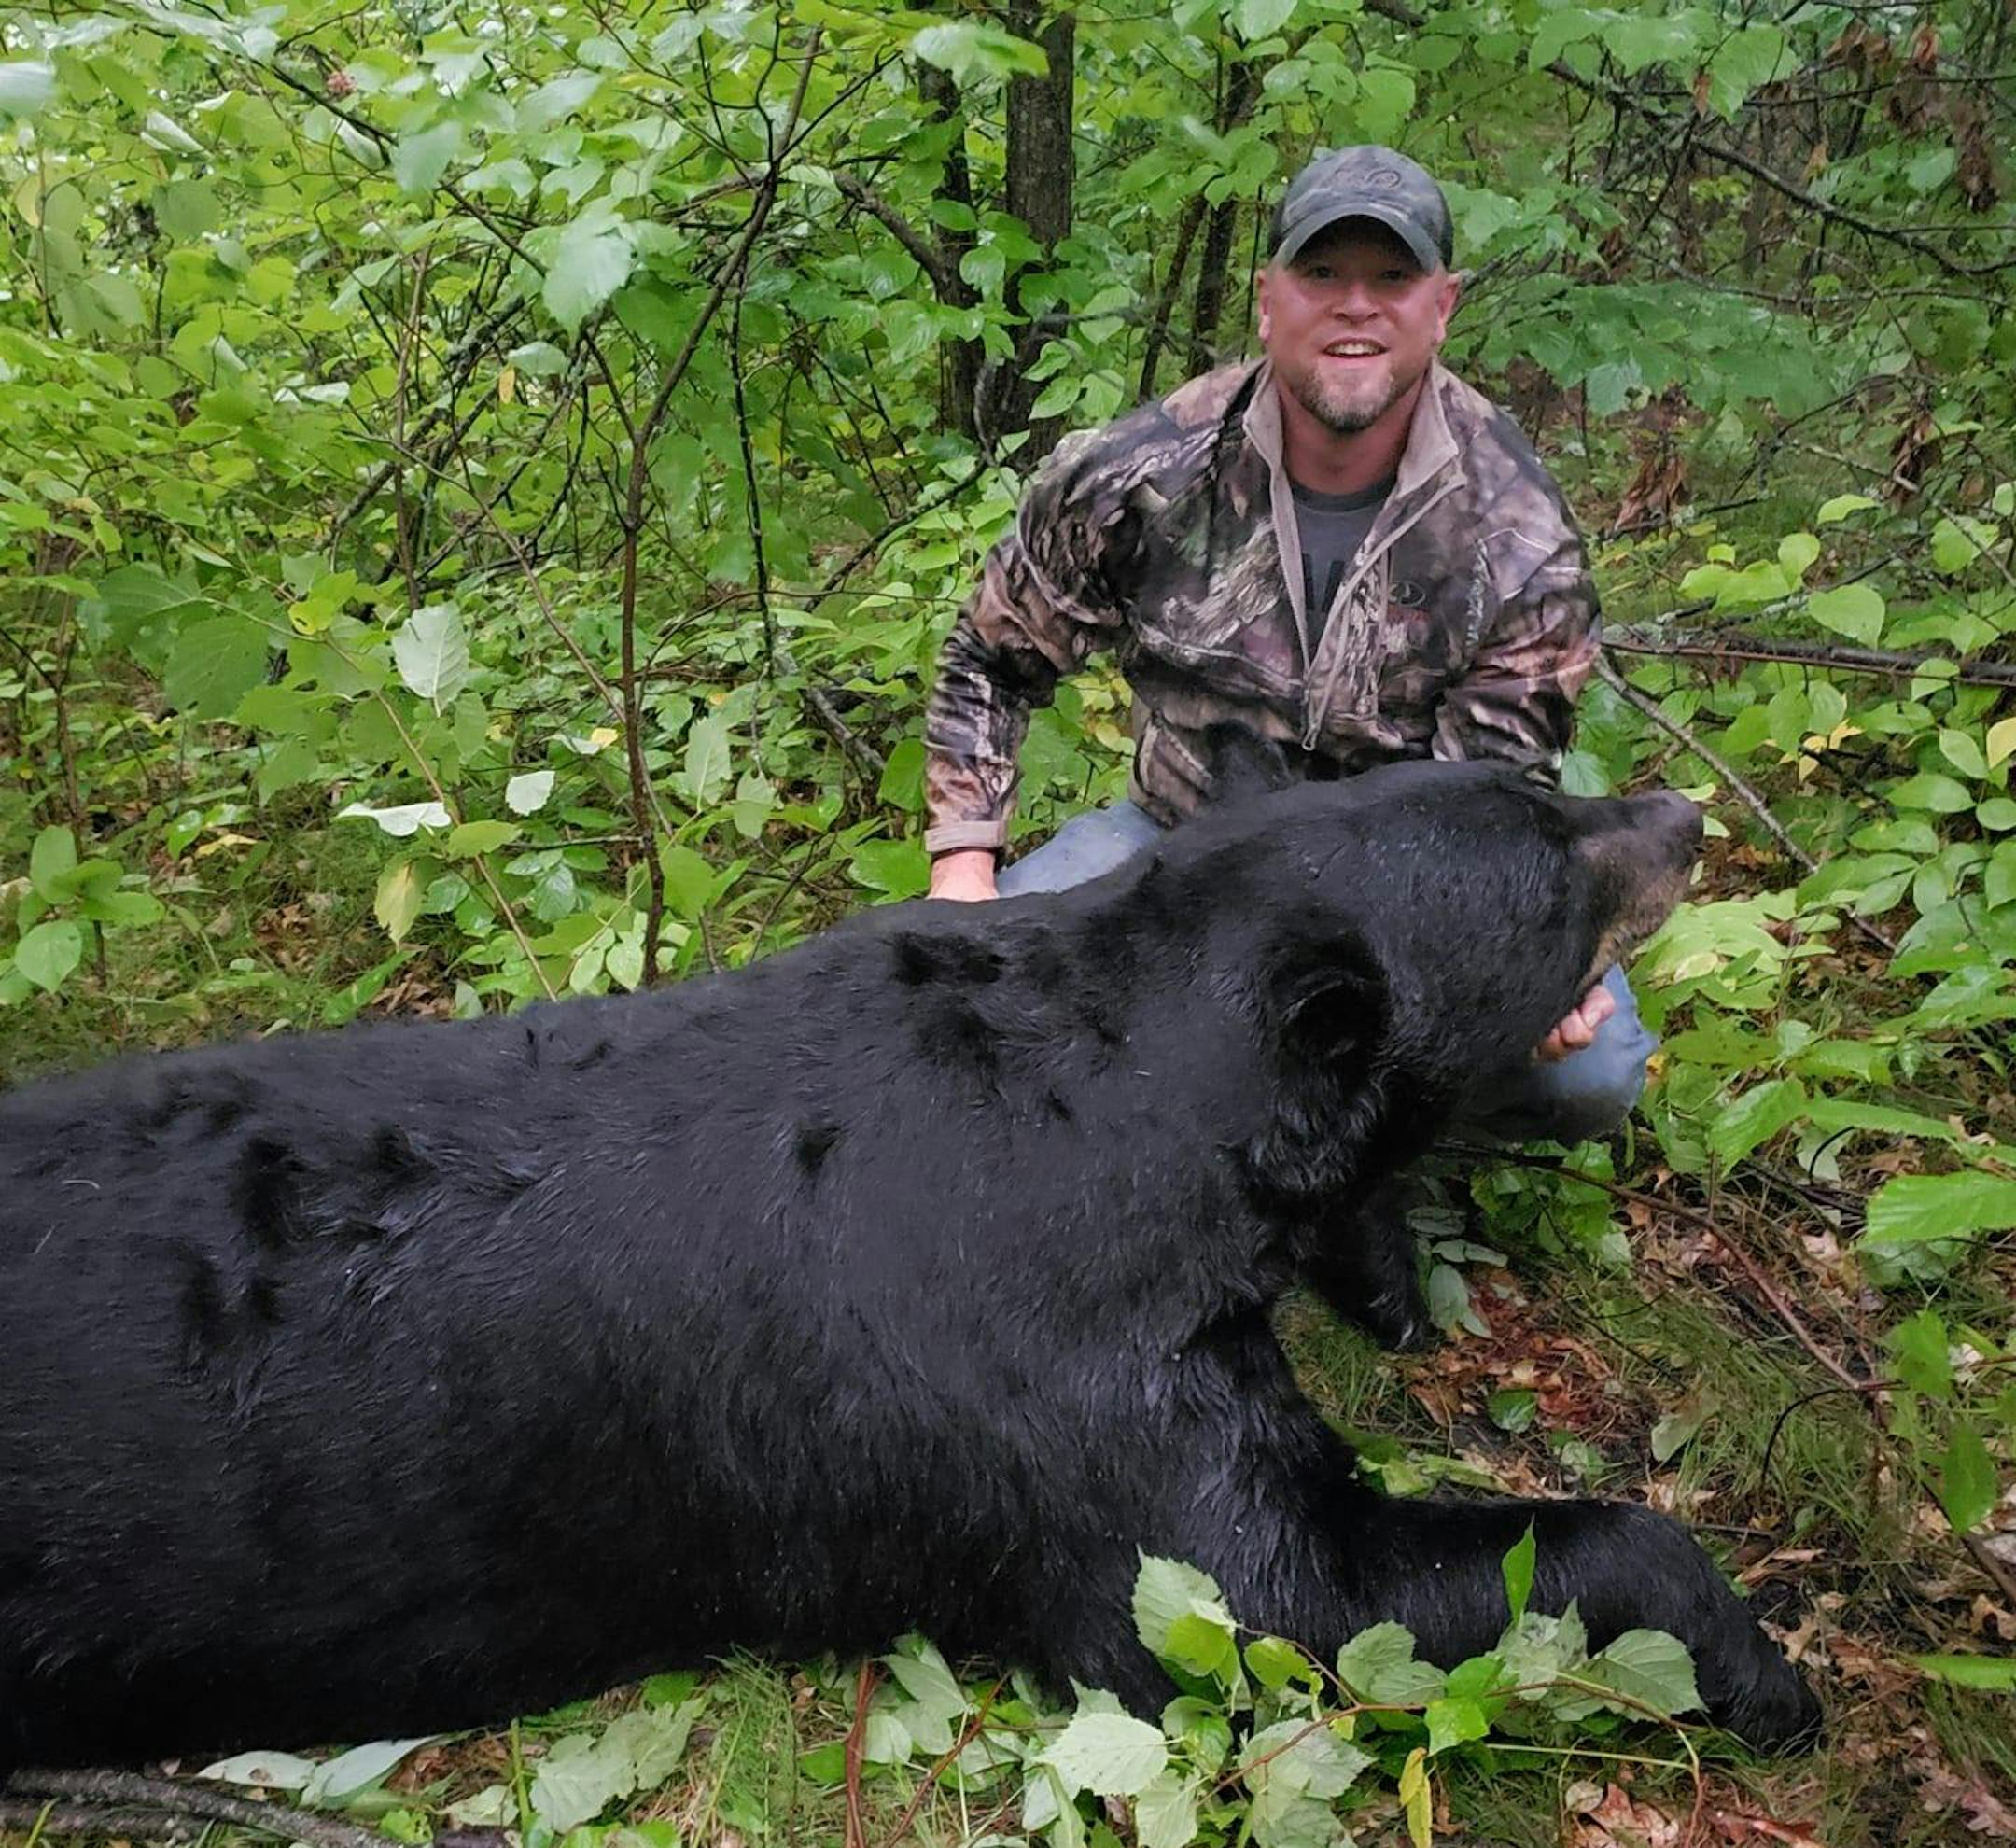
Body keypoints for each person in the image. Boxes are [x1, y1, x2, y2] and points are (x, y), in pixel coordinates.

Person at [918, 144, 1653, 1148]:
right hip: (1175, 843)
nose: (1357, 305)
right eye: (1323, 275)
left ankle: (1328, 1132)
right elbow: (990, 661)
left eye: (1392, 278)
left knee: (1592, 1076)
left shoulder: (1517, 535)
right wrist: (964, 868)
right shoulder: (1145, 473)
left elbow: (1487, 808)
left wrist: (1525, 965)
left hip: (1398, 901)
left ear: (1442, 305)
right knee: (975, 1002)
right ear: (1269, 301)